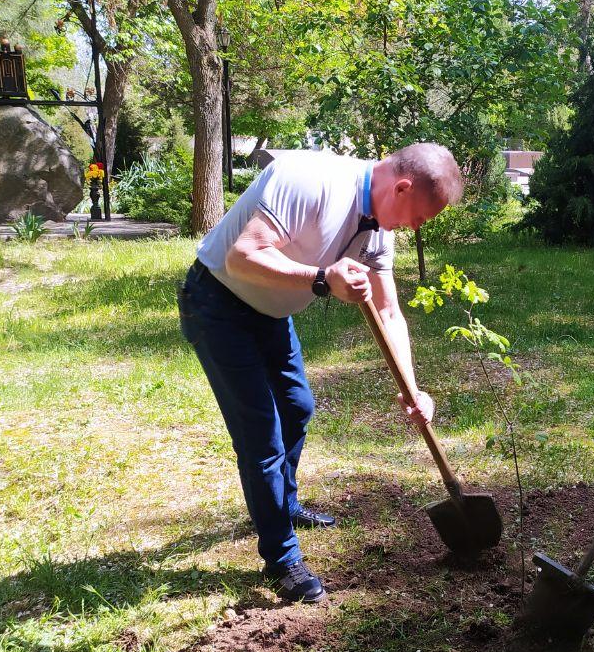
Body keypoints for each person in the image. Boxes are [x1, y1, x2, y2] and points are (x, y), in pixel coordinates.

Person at [177, 144, 463, 603]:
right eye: (420, 218)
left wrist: (413, 389)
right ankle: (282, 557)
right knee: (261, 436)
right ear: (402, 187)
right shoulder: (310, 180)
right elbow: (241, 256)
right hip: (218, 304)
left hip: (270, 312)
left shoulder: (378, 227)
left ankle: (281, 505)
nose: (413, 228)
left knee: (297, 407)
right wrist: (321, 279)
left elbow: (388, 311)